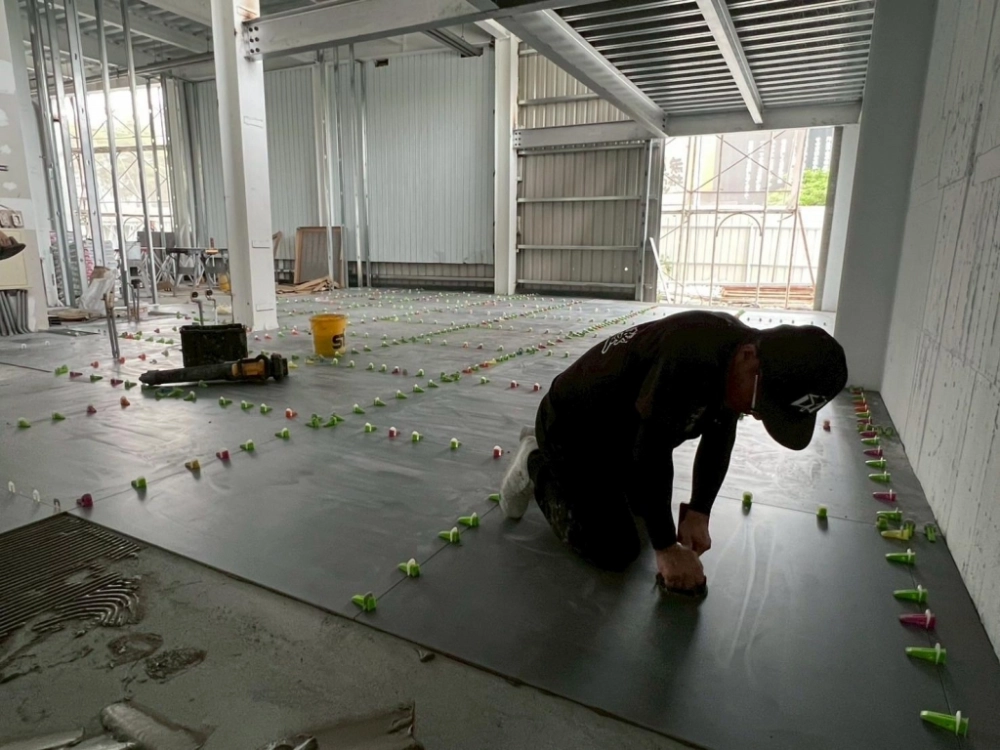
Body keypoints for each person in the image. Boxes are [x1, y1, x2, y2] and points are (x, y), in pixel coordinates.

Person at [499, 310, 848, 593]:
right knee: (615, 549)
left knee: (643, 511)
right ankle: (534, 461)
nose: (754, 414)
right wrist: (666, 548)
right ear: (748, 357)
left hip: (622, 434)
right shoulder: (689, 354)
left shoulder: (739, 356)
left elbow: (720, 430)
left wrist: (700, 510)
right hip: (571, 430)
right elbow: (651, 451)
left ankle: (602, 482)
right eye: (760, 405)